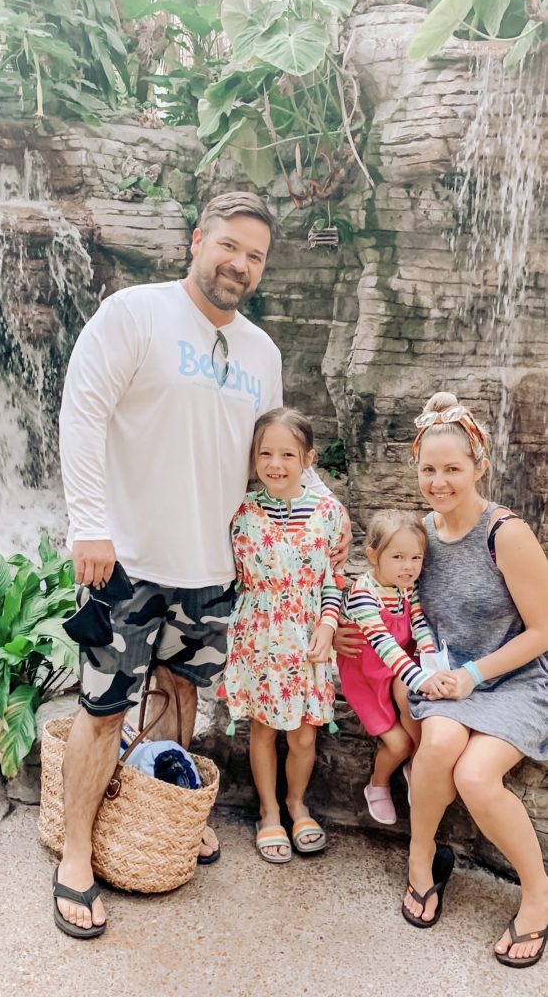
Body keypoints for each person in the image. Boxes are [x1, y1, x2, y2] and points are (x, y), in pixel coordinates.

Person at [55, 192, 351, 937]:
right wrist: (89, 526)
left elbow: (277, 456)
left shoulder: (261, 351)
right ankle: (77, 852)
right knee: (101, 709)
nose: (240, 264)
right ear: (197, 240)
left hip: (214, 569)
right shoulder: (136, 314)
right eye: (229, 246)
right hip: (124, 562)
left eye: (255, 256)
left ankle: (166, 805)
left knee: (181, 693)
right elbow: (82, 411)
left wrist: (329, 511)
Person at [337, 391, 548, 967]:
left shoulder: (505, 534)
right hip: (439, 675)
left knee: (478, 777)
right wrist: (341, 635)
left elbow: (543, 630)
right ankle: (421, 856)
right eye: (429, 469)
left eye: (453, 468)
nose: (439, 480)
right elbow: (378, 598)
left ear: (479, 466)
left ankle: (538, 897)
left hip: (511, 676)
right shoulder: (420, 536)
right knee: (439, 747)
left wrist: (473, 675)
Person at [223, 408, 343, 863]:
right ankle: (269, 811)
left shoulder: (330, 514)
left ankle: (297, 802)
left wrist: (329, 625)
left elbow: (332, 577)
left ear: (307, 458)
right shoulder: (242, 512)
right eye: (265, 453)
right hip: (258, 636)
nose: (276, 463)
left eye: (288, 453)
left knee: (304, 736)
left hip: (309, 637)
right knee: (263, 726)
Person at [337, 510, 453, 826]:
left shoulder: (406, 585)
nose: (408, 566)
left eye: (416, 557)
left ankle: (418, 766)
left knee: (411, 702)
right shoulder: (364, 594)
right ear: (374, 556)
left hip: (400, 664)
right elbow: (383, 645)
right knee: (398, 742)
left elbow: (418, 621)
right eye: (398, 556)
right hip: (367, 673)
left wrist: (428, 659)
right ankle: (378, 782)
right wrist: (422, 678)